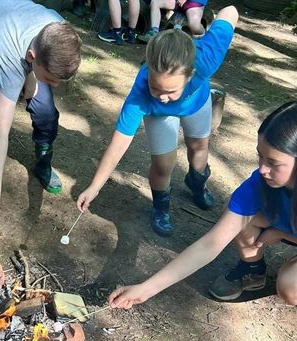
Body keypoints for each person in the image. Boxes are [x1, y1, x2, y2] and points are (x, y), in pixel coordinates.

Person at [106, 101, 297, 331]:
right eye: (260, 157)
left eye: (273, 163)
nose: (262, 169)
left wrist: (284, 233)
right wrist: (146, 288)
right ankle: (253, 270)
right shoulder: (260, 183)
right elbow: (211, 244)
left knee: (293, 286)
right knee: (235, 212)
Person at [78, 5, 237, 236]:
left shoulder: (206, 59)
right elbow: (119, 143)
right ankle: (161, 207)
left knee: (199, 147)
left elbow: (230, 11)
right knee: (163, 165)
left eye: (171, 91)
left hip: (196, 102)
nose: (163, 97)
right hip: (158, 116)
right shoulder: (141, 94)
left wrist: (203, 24)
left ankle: (197, 181)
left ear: (190, 75)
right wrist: (94, 187)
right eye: (156, 87)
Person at [0, 0, 82, 220]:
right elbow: (2, 130)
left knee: (45, 110)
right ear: (31, 58)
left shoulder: (59, 31)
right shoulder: (10, 58)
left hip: (20, 35)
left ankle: (44, 160)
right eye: (50, 79)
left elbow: (37, 63)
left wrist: (33, 75)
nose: (55, 85)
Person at [138, 0, 207, 43]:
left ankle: (205, 33)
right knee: (155, 2)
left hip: (194, 2)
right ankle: (153, 31)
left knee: (194, 26)